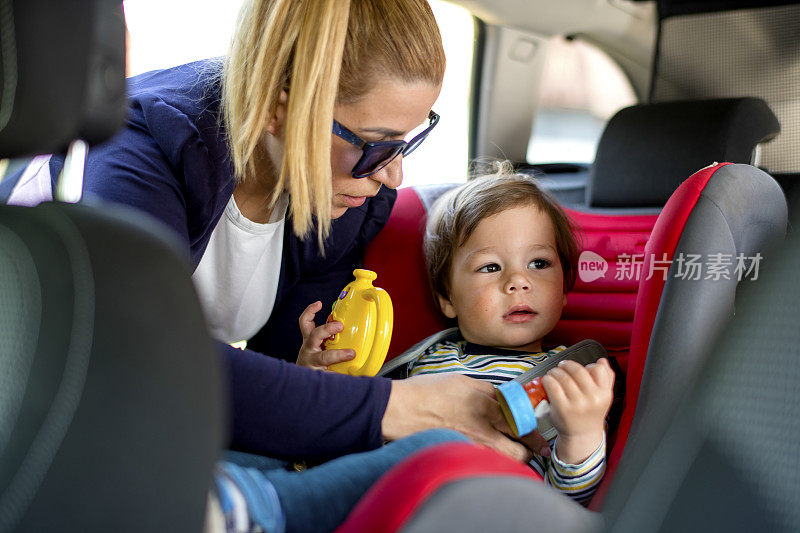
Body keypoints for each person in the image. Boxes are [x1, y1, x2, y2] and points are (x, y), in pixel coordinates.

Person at [3, 0, 547, 530]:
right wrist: (399, 405)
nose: (393, 177)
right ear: (276, 107)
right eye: (377, 145)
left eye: (409, 139)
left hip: (179, 429)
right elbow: (142, 367)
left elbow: (275, 388)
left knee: (439, 453)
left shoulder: (350, 196)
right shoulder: (145, 153)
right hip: (61, 420)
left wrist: (314, 377)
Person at [400, 170, 615, 504]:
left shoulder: (568, 378)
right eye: (490, 267)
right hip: (398, 498)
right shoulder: (421, 358)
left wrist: (581, 435)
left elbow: (568, 506)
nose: (518, 281)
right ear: (447, 297)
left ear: (563, 289)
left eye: (539, 263)